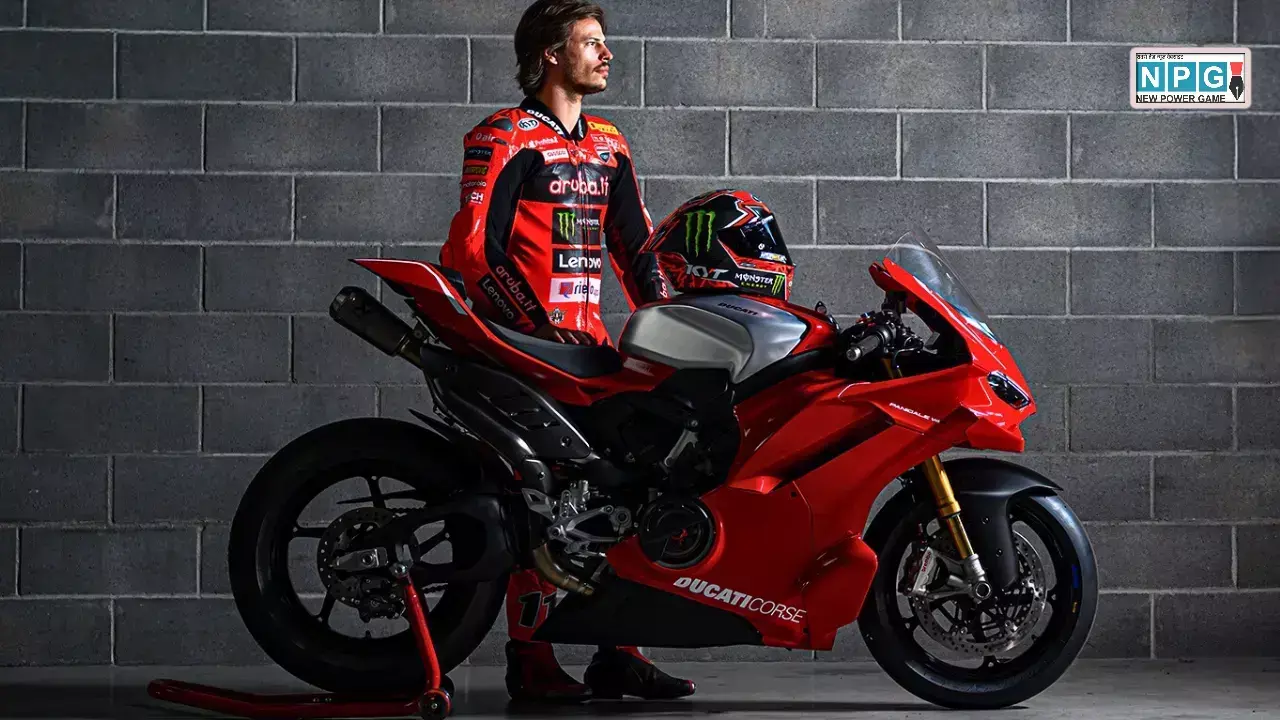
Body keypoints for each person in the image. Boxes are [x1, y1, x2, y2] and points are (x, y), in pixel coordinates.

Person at [437, 0, 692, 704]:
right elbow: (474, 253)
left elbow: (637, 249)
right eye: (591, 42)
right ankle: (531, 658)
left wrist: (673, 328)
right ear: (551, 54)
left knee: (634, 484)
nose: (607, 54)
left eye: (605, 43)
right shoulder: (502, 136)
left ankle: (621, 653)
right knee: (538, 498)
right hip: (520, 347)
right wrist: (536, 329)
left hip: (592, 350)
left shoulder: (610, 143)